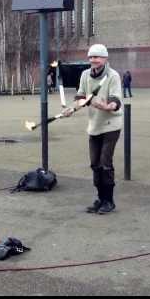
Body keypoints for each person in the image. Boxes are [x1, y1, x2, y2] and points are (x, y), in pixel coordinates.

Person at [62, 43, 123, 215]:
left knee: (105, 163)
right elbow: (81, 96)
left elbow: (115, 100)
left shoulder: (113, 76)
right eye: (90, 57)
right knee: (95, 164)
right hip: (94, 125)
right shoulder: (85, 75)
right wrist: (72, 109)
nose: (93, 60)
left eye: (96, 57)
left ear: (105, 58)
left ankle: (109, 201)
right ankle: (100, 198)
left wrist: (108, 106)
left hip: (111, 125)